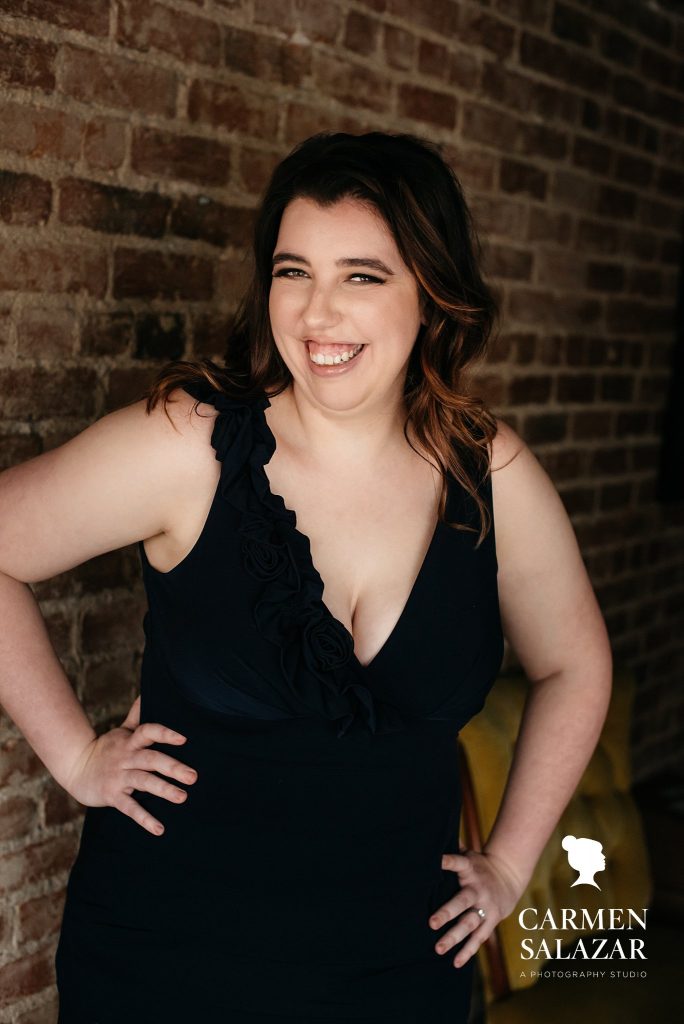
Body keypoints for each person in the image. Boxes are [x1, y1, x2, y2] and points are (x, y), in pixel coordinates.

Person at [0, 131, 612, 1022]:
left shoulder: (493, 478)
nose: (318, 313)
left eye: (361, 276)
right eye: (294, 272)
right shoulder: (188, 449)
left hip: (397, 970)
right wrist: (76, 756)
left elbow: (575, 666)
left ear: (432, 295)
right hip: (165, 963)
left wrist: (512, 863)